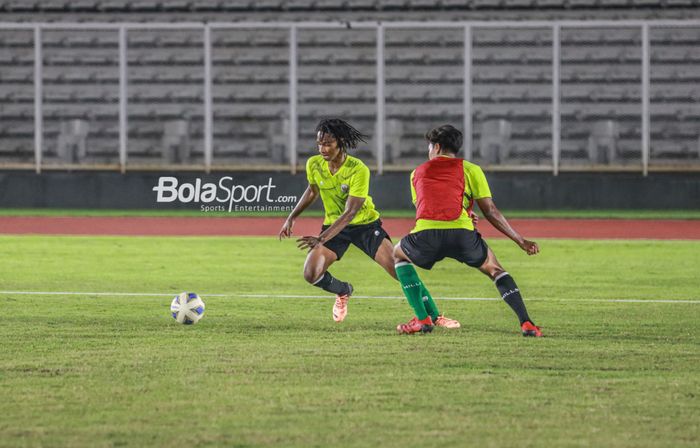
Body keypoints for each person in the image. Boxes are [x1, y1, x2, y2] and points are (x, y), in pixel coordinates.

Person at [279, 118, 460, 328]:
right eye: (319, 143)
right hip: (333, 227)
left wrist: (321, 238)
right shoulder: (314, 164)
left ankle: (435, 316)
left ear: (341, 142)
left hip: (364, 226)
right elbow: (312, 191)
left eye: (328, 143)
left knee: (399, 270)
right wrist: (292, 217)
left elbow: (350, 213)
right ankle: (343, 290)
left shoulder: (358, 169)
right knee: (311, 273)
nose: (323, 148)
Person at [393, 124, 542, 337]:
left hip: (427, 235)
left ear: (436, 147)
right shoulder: (471, 169)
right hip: (461, 235)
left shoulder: (417, 172)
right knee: (496, 270)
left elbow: (427, 207)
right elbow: (490, 210)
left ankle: (423, 319)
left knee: (398, 254)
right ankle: (526, 323)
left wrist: (462, 212)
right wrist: (520, 240)